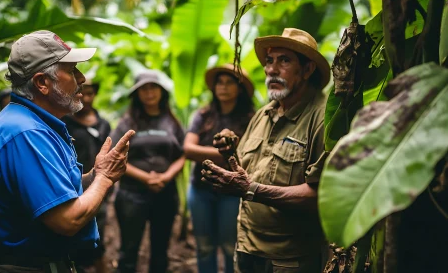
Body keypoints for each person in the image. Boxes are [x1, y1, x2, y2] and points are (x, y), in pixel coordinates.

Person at [0, 30, 135, 272]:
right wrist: (104, 180)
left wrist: (96, 174)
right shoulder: (26, 134)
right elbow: (67, 219)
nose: (82, 78)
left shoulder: (34, 124)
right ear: (42, 83)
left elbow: (55, 193)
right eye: (73, 70)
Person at [201, 28, 331, 273]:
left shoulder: (322, 117)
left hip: (290, 259)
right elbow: (248, 172)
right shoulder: (264, 114)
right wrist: (231, 152)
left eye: (284, 60)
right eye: (269, 61)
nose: (271, 69)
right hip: (247, 248)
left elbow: (321, 196)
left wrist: (250, 190)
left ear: (307, 69)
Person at [110, 70, 185, 273]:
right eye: (143, 89)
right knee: (129, 251)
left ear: (161, 92)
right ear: (137, 94)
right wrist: (145, 178)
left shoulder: (172, 121)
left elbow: (182, 154)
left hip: (165, 194)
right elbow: (114, 155)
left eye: (153, 87)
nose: (149, 92)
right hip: (132, 196)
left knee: (160, 252)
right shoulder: (127, 123)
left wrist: (167, 176)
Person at [183, 64, 255, 273]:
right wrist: (228, 154)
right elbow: (187, 149)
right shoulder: (203, 115)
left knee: (230, 246)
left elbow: (251, 157)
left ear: (240, 88)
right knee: (204, 247)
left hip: (232, 192)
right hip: (200, 189)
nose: (223, 87)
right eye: (219, 83)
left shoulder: (251, 118)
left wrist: (204, 154)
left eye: (229, 83)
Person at [62, 80, 111, 273]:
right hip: (71, 188)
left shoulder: (103, 123)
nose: (87, 98)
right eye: (82, 93)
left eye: (91, 94)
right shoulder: (65, 123)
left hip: (100, 186)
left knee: (98, 234)